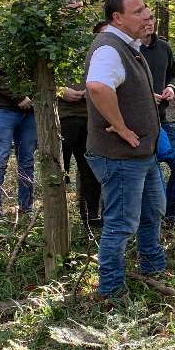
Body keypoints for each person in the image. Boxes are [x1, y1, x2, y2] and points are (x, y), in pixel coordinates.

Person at [83, 0, 166, 301]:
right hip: (120, 156)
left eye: (145, 9)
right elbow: (97, 87)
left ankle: (153, 267)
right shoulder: (109, 48)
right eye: (137, 11)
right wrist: (121, 128)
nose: (146, 15)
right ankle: (111, 290)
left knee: (151, 212)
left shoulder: (128, 46)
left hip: (142, 154)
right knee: (120, 224)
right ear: (117, 18)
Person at [140, 11, 175, 225]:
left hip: (163, 121)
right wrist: (145, 95)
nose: (149, 23)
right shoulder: (129, 50)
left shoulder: (163, 47)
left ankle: (168, 214)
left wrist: (171, 87)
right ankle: (151, 218)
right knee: (150, 173)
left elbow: (172, 75)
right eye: (144, 19)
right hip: (139, 124)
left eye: (151, 18)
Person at [58, 21, 106, 229]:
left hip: (89, 118)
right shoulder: (53, 43)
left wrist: (92, 89)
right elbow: (40, 79)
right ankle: (58, 222)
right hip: (62, 118)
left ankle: (90, 218)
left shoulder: (94, 48)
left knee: (90, 170)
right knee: (60, 170)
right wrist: (61, 90)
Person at [0, 68, 36, 220]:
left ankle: (26, 209)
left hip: (30, 112)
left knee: (27, 161)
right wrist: (19, 97)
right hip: (1, 110)